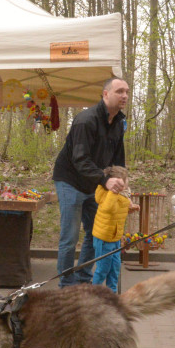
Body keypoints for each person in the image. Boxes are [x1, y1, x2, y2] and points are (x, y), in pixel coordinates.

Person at [51, 77, 128, 286]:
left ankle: (83, 278)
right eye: (119, 91)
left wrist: (121, 183)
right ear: (105, 94)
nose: (125, 96)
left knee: (97, 234)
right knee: (70, 237)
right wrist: (105, 180)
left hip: (96, 183)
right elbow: (80, 159)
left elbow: (118, 159)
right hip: (70, 180)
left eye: (127, 92)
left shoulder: (119, 123)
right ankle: (66, 285)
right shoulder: (86, 120)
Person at [90, 165, 136, 292]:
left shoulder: (123, 195)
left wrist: (130, 207)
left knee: (115, 269)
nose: (126, 182)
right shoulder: (106, 194)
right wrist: (113, 191)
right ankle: (94, 295)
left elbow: (118, 209)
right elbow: (109, 208)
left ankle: (112, 294)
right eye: (123, 180)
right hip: (104, 239)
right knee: (103, 269)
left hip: (115, 238)